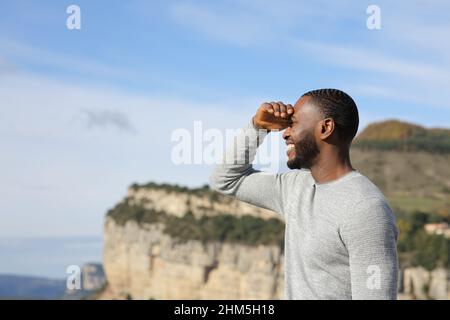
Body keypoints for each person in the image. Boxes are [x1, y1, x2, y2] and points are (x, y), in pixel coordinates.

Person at [209, 89, 398, 299]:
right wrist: (258, 127)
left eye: (293, 123)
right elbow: (226, 179)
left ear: (325, 128)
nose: (284, 133)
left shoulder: (366, 209)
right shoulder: (294, 187)